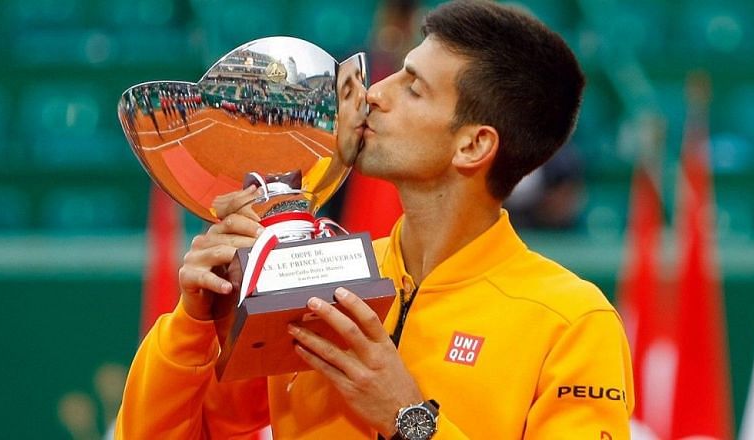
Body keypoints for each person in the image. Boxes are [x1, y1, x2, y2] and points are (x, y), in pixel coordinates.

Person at [116, 1, 634, 438]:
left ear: (473, 144)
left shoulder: (570, 323)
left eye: (411, 88)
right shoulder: (309, 273)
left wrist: (407, 419)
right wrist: (194, 323)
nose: (373, 95)